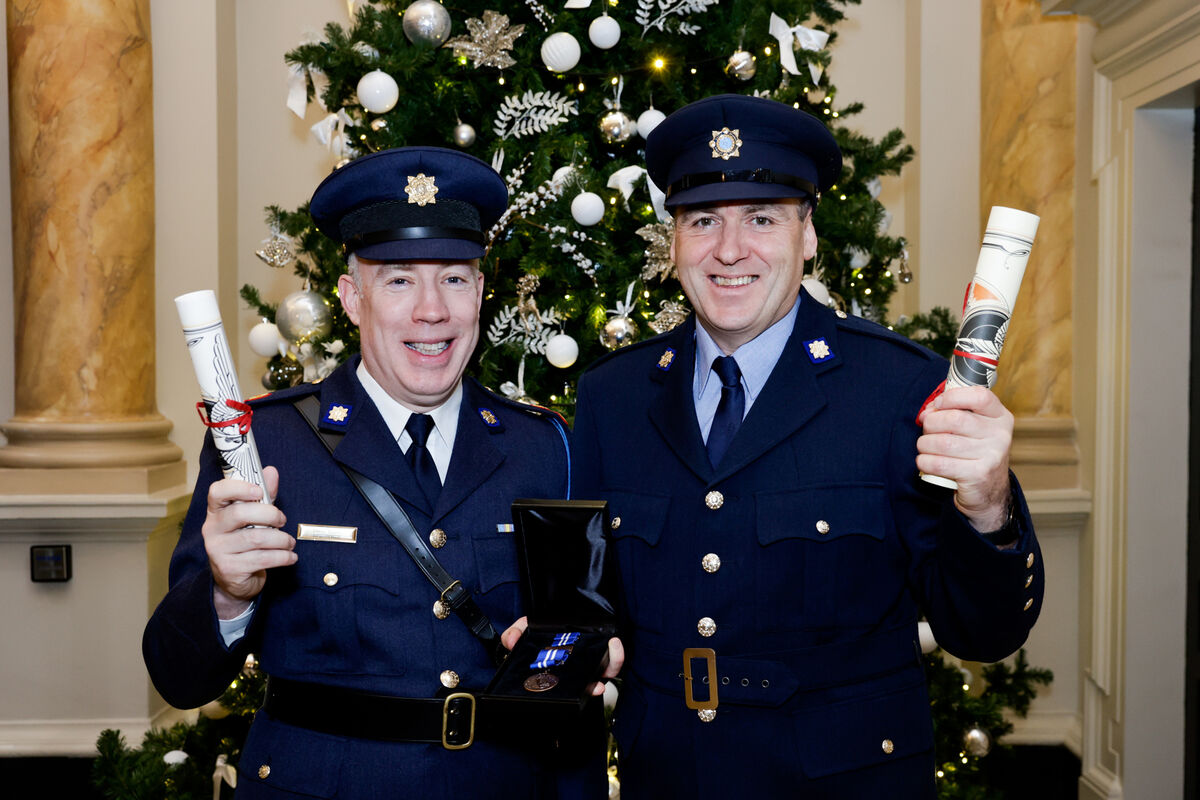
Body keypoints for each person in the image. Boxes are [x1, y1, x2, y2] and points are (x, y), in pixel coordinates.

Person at [569, 94, 1044, 798]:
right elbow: (590, 604)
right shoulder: (614, 398)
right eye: (703, 222)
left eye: (761, 218)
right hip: (665, 777)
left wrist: (988, 506)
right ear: (674, 244)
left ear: (808, 236)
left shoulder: (899, 391)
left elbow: (983, 632)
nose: (730, 250)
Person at [144, 146, 617, 799]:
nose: (432, 311)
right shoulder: (266, 443)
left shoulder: (545, 448)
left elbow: (571, 683)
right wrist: (226, 592)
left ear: (480, 291)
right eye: (398, 280)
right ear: (352, 298)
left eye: (454, 278)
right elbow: (179, 679)